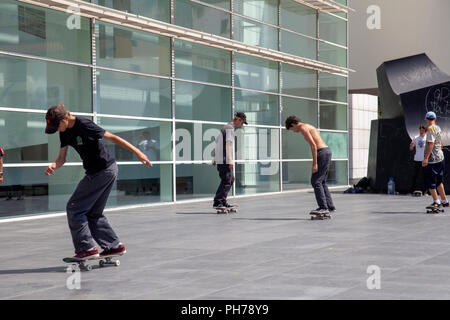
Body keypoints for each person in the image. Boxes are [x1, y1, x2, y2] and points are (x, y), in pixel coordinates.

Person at [44, 104, 152, 259]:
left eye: (57, 126)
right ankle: (114, 246)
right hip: (100, 171)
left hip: (104, 170)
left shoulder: (85, 124)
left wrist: (139, 153)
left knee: (74, 208)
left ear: (65, 118)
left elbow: (113, 138)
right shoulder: (64, 132)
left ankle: (86, 248)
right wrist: (54, 165)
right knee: (93, 213)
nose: (57, 130)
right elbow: (61, 158)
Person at [285, 115, 336, 216]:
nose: (294, 131)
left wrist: (315, 164)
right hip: (327, 151)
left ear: (293, 124)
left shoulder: (303, 128)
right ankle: (330, 206)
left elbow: (313, 145)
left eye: (291, 129)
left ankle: (323, 207)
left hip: (321, 152)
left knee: (316, 181)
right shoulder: (308, 126)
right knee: (322, 182)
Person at [212, 112, 247, 209]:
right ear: (238, 119)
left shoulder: (225, 127)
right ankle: (218, 202)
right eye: (242, 122)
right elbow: (228, 144)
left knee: (230, 179)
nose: (242, 125)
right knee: (227, 180)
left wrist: (214, 158)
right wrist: (230, 160)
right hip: (224, 160)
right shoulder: (230, 128)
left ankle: (222, 201)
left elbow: (216, 143)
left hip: (221, 159)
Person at [422, 111, 449, 211]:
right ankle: (444, 201)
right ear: (435, 118)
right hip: (441, 157)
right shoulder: (437, 127)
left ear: (426, 119)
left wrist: (425, 158)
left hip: (432, 160)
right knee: (439, 181)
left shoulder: (430, 129)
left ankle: (436, 202)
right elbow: (440, 143)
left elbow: (430, 144)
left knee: (430, 181)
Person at [409, 125, 427, 195]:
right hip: (417, 159)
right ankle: (412, 190)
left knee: (425, 176)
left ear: (425, 131)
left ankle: (425, 191)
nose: (421, 131)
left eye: (423, 130)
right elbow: (411, 149)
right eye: (420, 130)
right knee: (414, 175)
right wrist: (411, 145)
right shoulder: (416, 138)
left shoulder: (427, 138)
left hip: (424, 160)